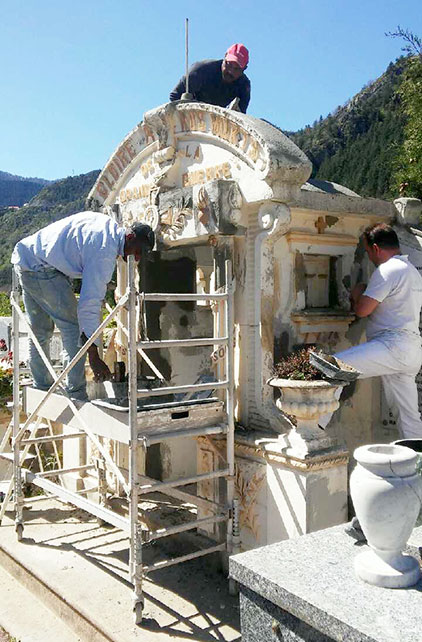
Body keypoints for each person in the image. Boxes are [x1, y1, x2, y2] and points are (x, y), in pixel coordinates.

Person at [11, 211, 154, 400]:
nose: (136, 258)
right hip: (42, 268)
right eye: (138, 251)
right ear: (129, 237)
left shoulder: (106, 226)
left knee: (40, 331)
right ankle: (76, 394)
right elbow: (88, 306)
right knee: (74, 327)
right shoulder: (105, 252)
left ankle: (41, 388)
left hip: (27, 257)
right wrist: (94, 357)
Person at [334, 222, 422, 439]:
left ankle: (312, 428)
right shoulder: (411, 271)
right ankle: (417, 467)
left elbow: (363, 310)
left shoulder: (388, 270)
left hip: (392, 346)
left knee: (333, 368)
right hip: (410, 350)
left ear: (375, 248)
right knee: (409, 419)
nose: (370, 258)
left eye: (368, 251)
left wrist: (357, 294)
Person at [169, 43, 251, 113]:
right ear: (225, 57)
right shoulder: (201, 70)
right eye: (228, 64)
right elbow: (175, 96)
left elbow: (240, 115)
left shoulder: (243, 86)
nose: (230, 71)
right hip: (191, 115)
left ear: (244, 69)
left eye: (236, 69)